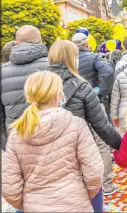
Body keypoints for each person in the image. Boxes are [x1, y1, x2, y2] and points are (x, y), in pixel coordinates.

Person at [2, 71, 103, 212]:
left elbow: (10, 187)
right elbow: (94, 172)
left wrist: (30, 205)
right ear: (59, 94)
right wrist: (81, 195)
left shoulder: (17, 134)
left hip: (35, 205)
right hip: (75, 203)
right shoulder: (76, 125)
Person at [47, 40, 121, 200]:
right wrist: (121, 144)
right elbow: (101, 125)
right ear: (71, 58)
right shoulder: (81, 86)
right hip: (78, 152)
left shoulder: (38, 82)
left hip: (48, 159)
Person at [1, 25, 49, 151]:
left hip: (16, 139)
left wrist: (7, 144)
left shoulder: (2, 72)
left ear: (16, 43)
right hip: (49, 138)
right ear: (40, 40)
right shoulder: (52, 66)